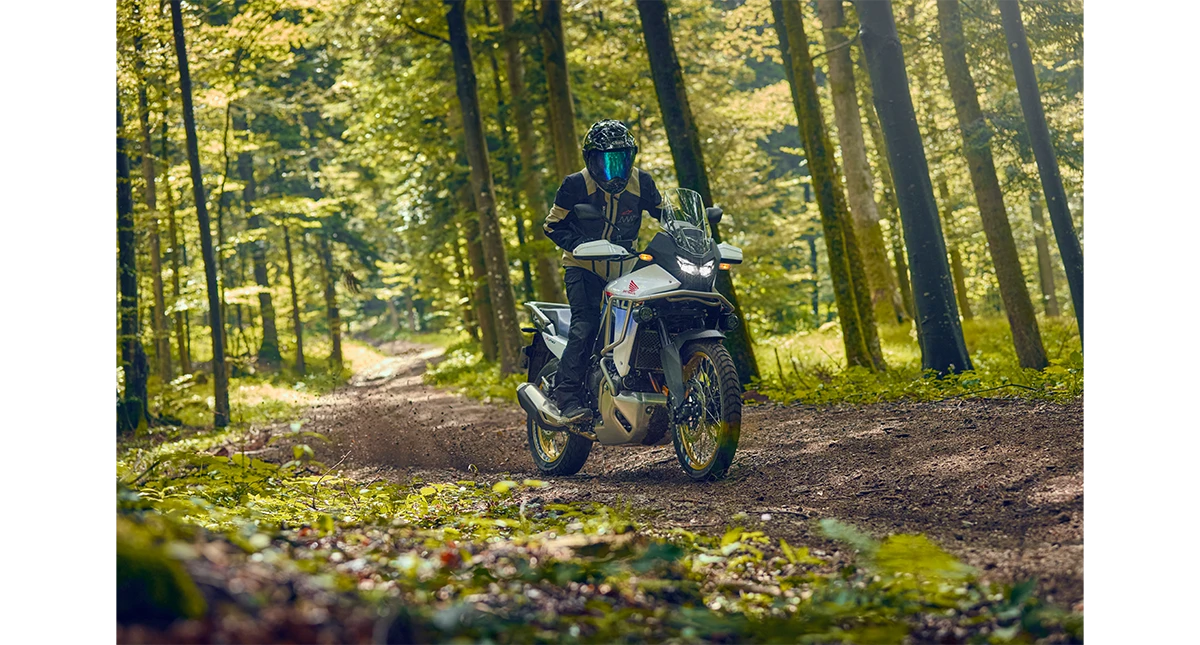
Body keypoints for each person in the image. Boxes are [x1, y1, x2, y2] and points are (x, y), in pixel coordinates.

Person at [543, 119, 665, 420]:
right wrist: (581, 244)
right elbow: (552, 225)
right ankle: (567, 396)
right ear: (590, 159)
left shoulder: (643, 182)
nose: (615, 169)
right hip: (584, 267)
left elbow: (666, 214)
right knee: (585, 326)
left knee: (649, 320)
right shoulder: (575, 185)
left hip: (627, 269)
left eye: (621, 160)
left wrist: (689, 231)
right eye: (606, 160)